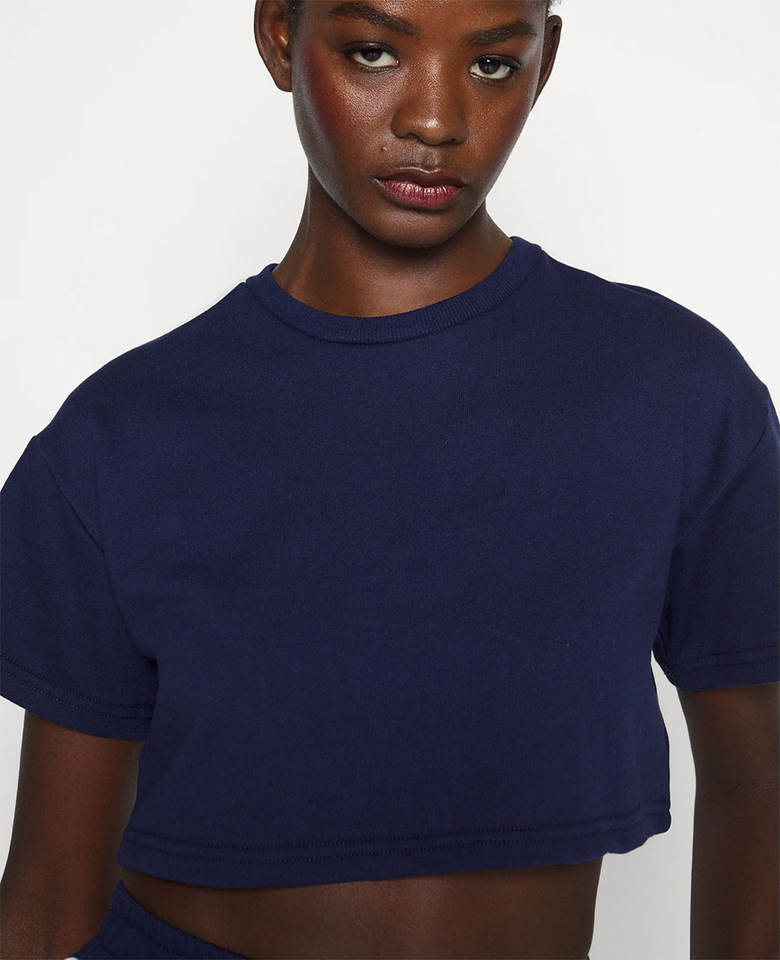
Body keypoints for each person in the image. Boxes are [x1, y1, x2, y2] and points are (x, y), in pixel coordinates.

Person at [1, 1, 777, 959]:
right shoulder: (122, 436)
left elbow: (760, 782)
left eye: (492, 65)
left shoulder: (673, 392)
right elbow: (48, 898)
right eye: (374, 53)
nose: (435, 120)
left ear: (544, 63)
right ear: (280, 38)